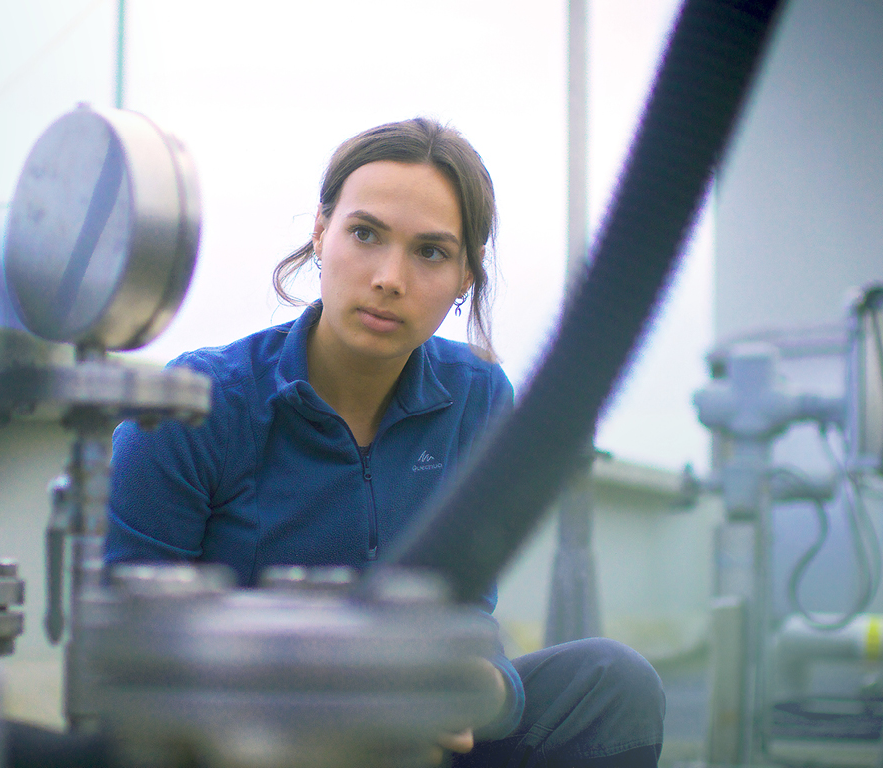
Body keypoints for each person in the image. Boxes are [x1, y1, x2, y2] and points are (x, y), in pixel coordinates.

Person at [106, 118, 665, 768]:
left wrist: (479, 686)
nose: (389, 277)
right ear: (321, 233)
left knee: (611, 682)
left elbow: (463, 610)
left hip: (413, 728)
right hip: (247, 735)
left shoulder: (478, 398)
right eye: (365, 234)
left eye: (430, 252)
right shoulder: (201, 401)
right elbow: (129, 632)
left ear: (465, 277)